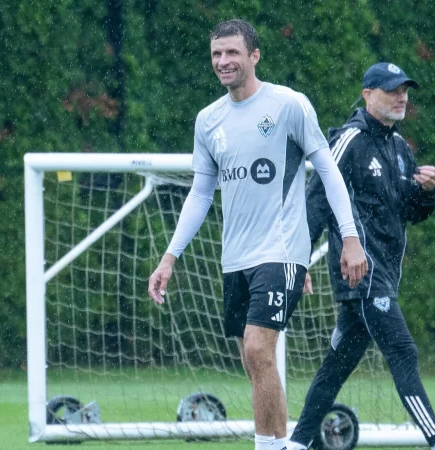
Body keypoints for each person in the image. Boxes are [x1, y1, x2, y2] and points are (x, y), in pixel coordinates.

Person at [147, 19, 368, 450]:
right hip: (237, 257)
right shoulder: (208, 120)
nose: (223, 61)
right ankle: (272, 444)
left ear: (254, 56)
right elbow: (200, 194)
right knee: (252, 361)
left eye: (232, 53)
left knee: (257, 349)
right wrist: (169, 257)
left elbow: (327, 170)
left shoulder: (288, 105)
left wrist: (350, 237)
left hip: (282, 248)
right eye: (216, 54)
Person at [284, 63, 435, 450]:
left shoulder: (399, 148)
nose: (401, 98)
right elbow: (317, 200)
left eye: (405, 91)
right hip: (361, 274)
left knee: (337, 366)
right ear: (367, 94)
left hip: (383, 275)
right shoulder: (350, 139)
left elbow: (412, 211)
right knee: (402, 350)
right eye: (392, 90)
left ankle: (297, 444)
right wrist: (298, 260)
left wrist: (428, 191)